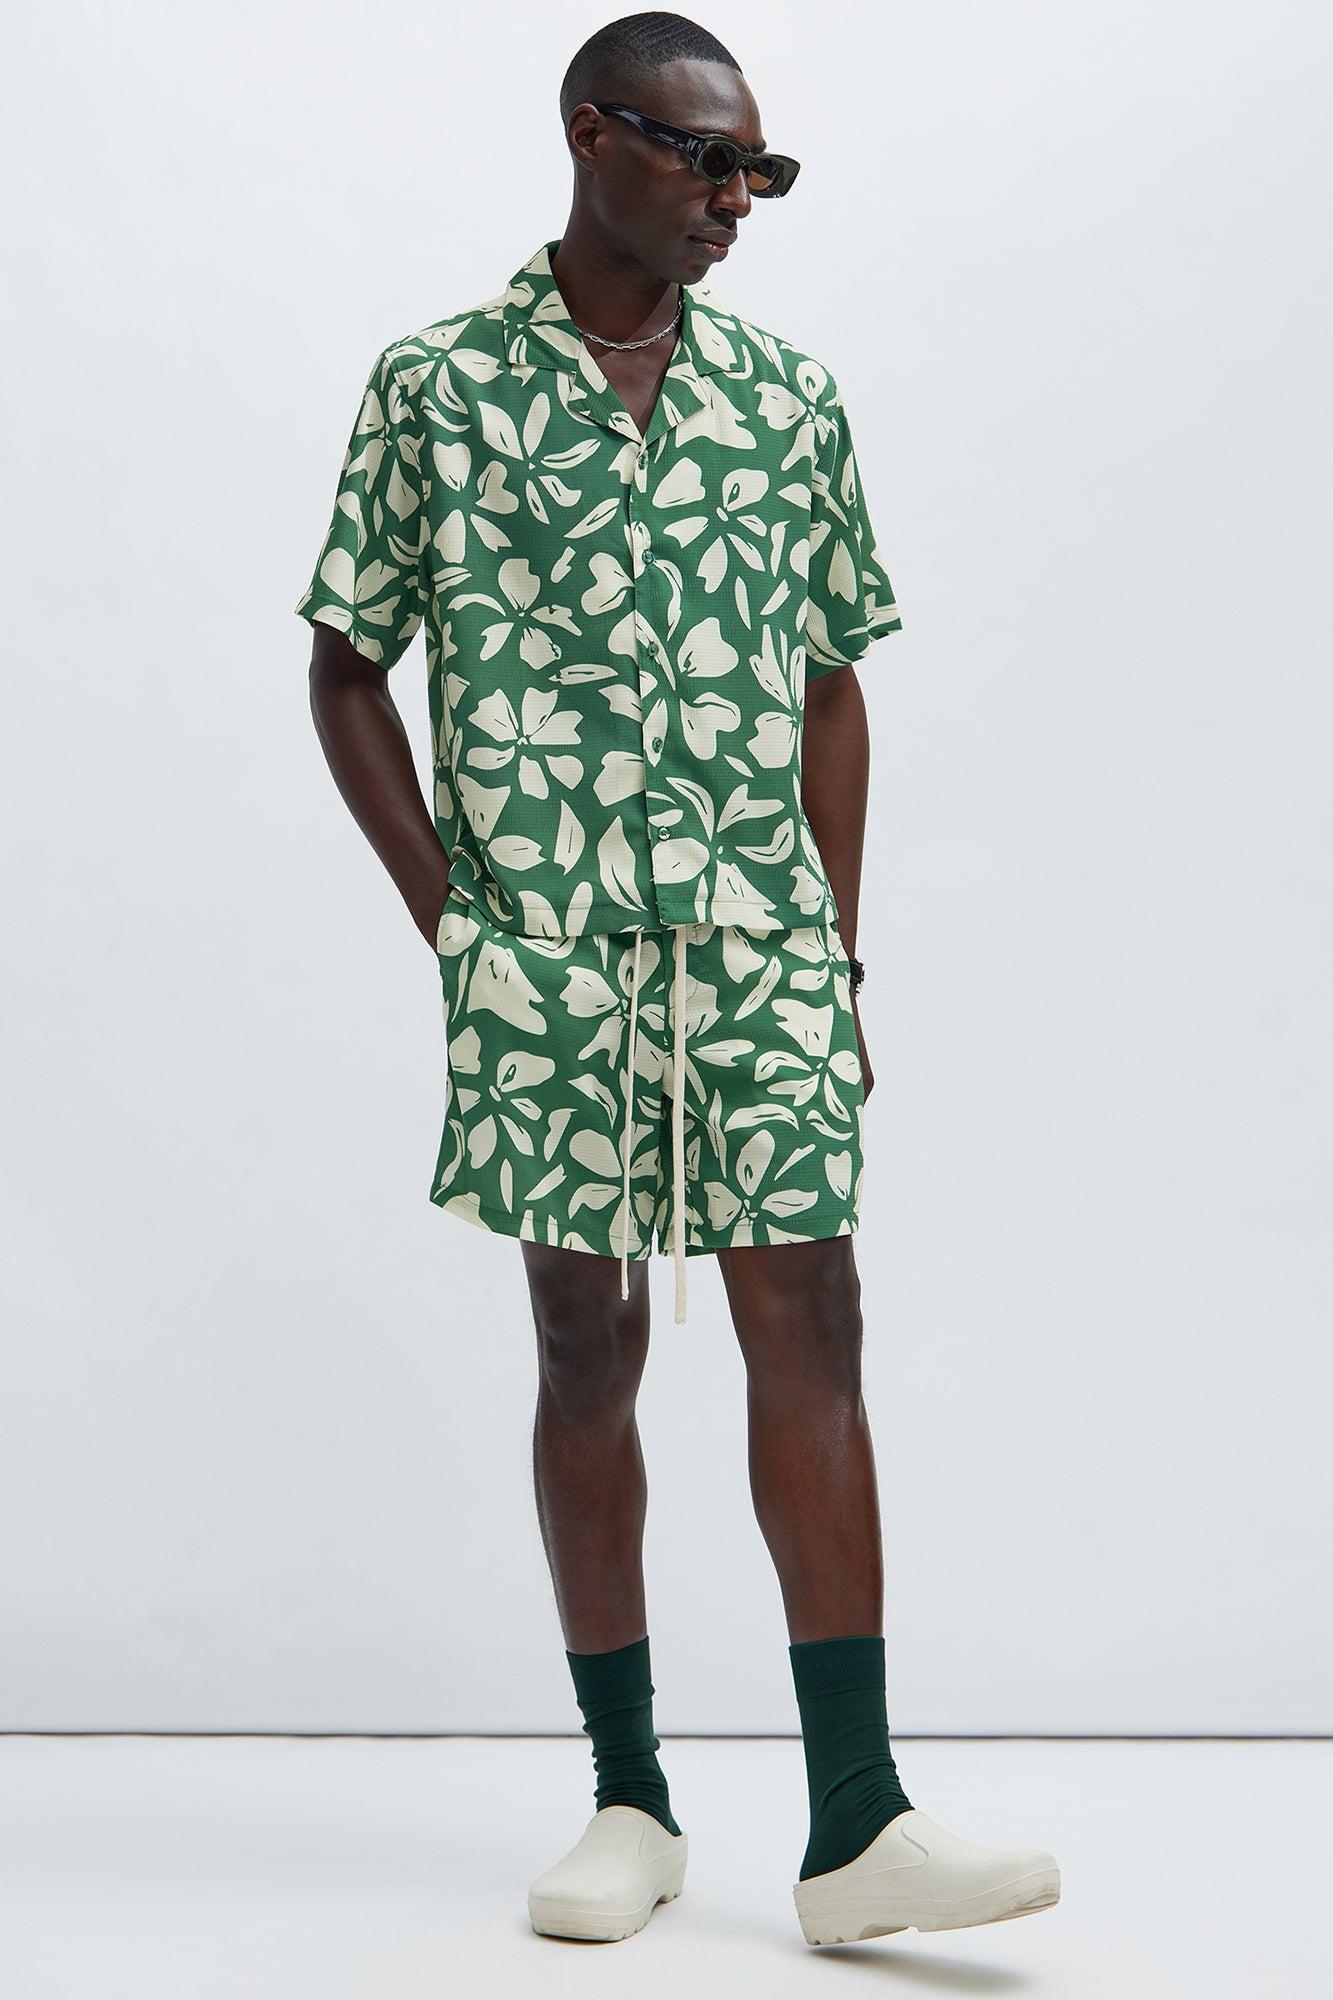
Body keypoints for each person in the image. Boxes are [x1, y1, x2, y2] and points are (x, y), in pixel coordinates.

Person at [295, 8, 1060, 1952]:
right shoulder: (435, 388)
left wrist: (835, 952)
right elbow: (346, 667)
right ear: (590, 135)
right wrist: (455, 919)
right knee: (585, 1341)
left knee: (813, 1313)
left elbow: (832, 687)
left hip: (760, 943)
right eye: (704, 160)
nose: (735, 201)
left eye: (759, 174)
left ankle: (858, 1821)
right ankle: (627, 1798)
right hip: (543, 957)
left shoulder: (786, 400)